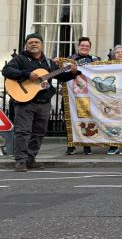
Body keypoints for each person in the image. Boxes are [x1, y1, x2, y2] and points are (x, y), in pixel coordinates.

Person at [2, 33, 81, 171]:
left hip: (44, 102)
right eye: (30, 42)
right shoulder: (20, 59)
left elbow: (62, 77)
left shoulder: (50, 63)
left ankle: (31, 159)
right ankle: (20, 161)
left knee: (39, 132)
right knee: (23, 132)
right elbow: (6, 71)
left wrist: (73, 73)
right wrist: (27, 75)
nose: (33, 44)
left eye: (36, 42)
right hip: (25, 102)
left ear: (42, 45)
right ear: (26, 45)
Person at [64, 36, 100, 155]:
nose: (85, 47)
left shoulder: (95, 60)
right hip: (72, 94)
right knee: (69, 119)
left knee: (88, 118)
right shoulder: (69, 59)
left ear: (90, 48)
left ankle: (87, 146)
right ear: (78, 46)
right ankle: (71, 145)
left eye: (87, 46)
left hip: (88, 94)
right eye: (82, 45)